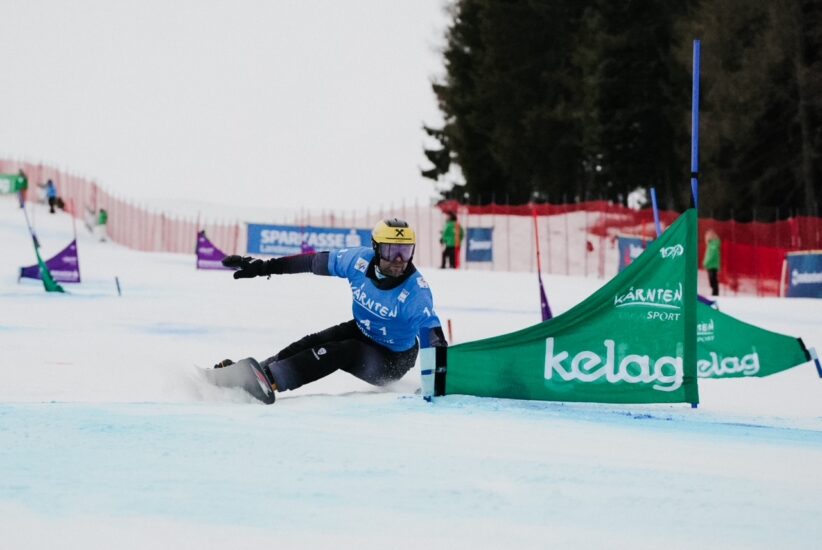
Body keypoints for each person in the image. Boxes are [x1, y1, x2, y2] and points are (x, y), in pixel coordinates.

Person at [216, 218, 448, 402]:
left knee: (342, 351)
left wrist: (436, 385)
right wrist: (262, 267)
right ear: (376, 249)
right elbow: (309, 262)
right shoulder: (357, 260)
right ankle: (249, 375)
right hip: (362, 330)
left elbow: (434, 340)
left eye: (405, 252)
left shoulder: (416, 292)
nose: (399, 260)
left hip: (392, 360)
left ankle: (270, 380)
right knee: (309, 343)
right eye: (391, 251)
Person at [702, 228, 721, 296]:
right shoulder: (711, 244)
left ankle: (715, 293)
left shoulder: (713, 245)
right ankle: (715, 292)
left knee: (713, 280)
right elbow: (708, 255)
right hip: (711, 264)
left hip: (712, 265)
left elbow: (711, 255)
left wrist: (706, 262)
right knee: (712, 280)